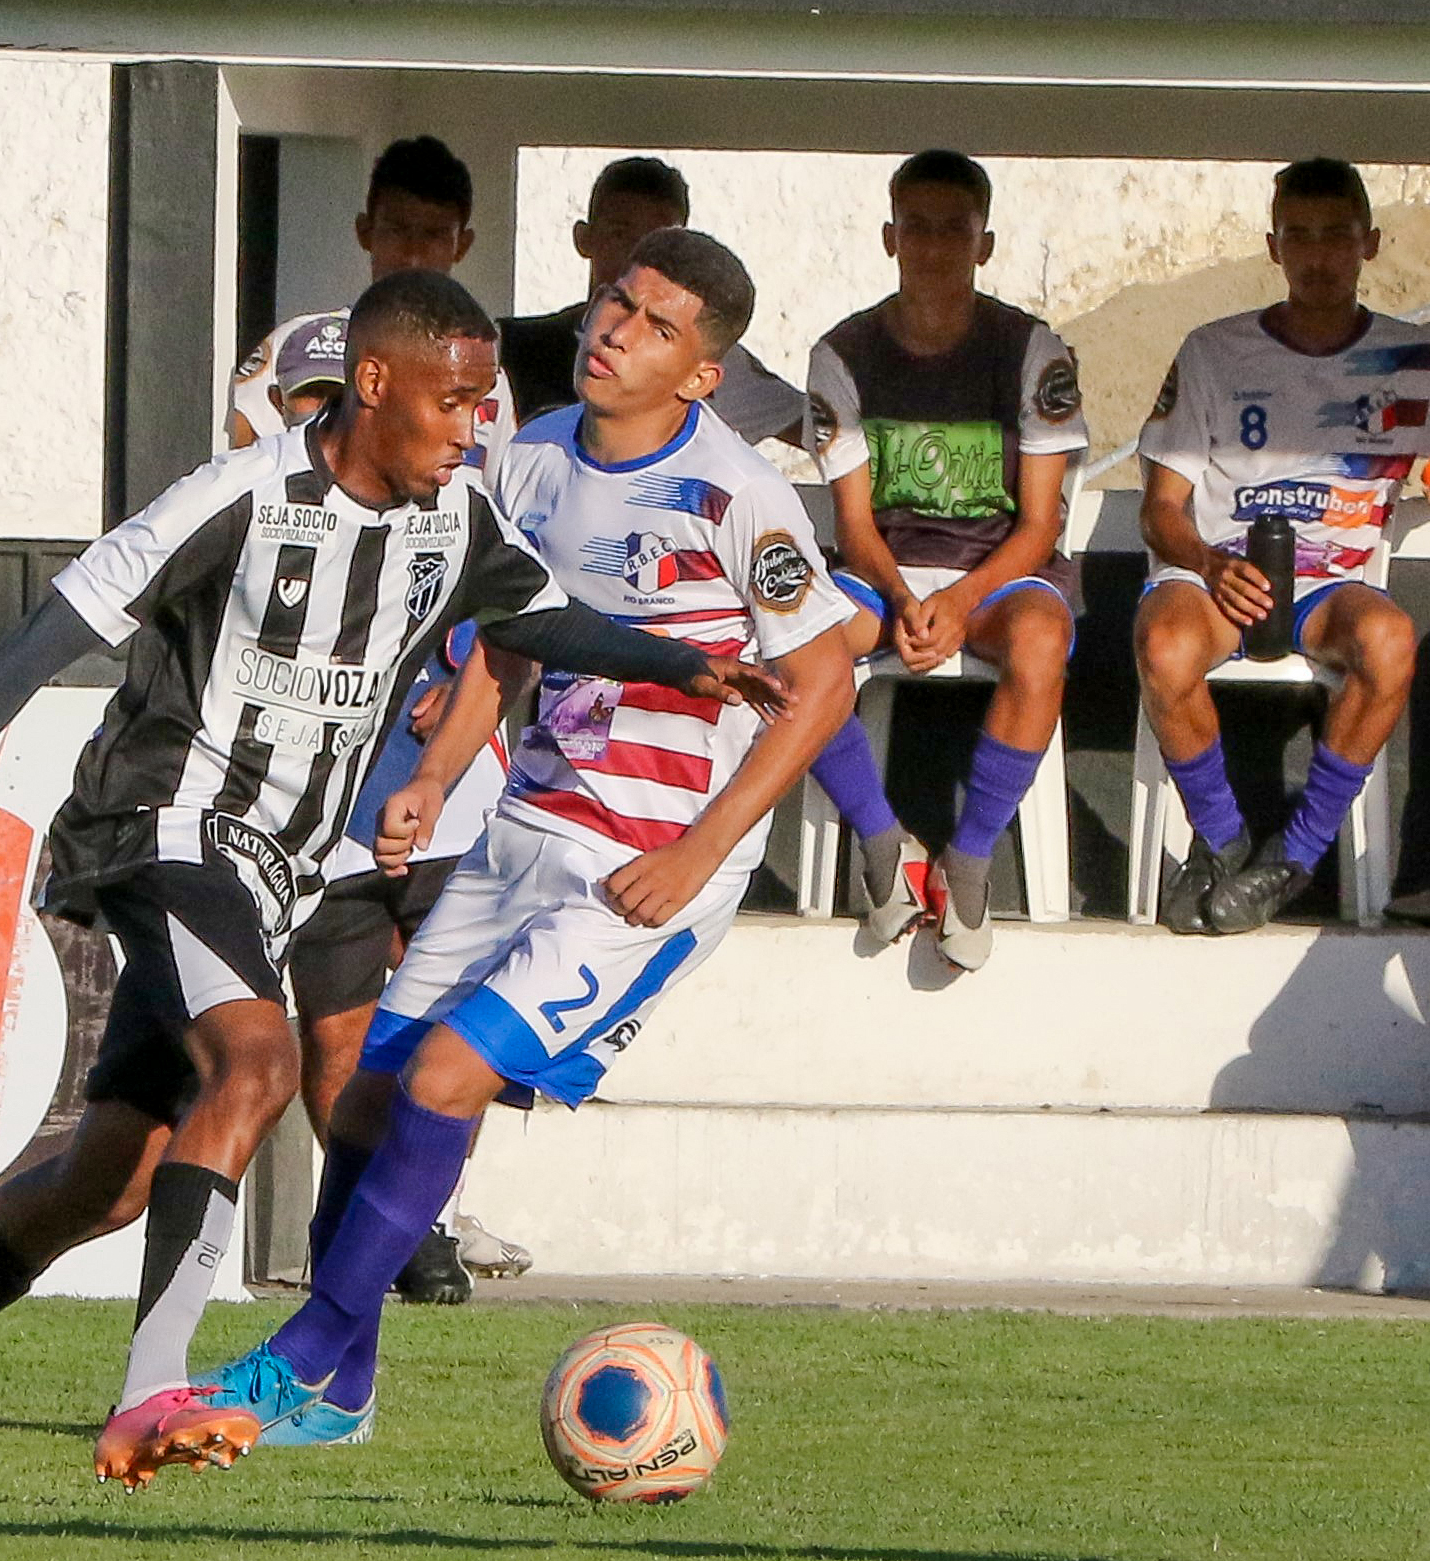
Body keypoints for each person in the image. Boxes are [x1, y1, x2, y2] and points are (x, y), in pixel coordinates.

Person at [0, 270, 785, 1497]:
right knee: (258, 1064)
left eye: (486, 404)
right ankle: (157, 1383)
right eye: (457, 401)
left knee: (116, 1176)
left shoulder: (456, 519)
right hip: (165, 825)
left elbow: (547, 620)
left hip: (279, 872)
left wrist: (685, 663)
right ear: (376, 385)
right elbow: (57, 624)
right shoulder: (239, 497)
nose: (478, 427)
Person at [185, 228, 856, 1461]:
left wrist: (701, 857)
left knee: (448, 1074)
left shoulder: (735, 493)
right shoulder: (530, 456)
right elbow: (511, 630)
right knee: (374, 1095)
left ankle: (297, 1358)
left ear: (701, 373)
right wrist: (435, 779)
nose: (612, 330)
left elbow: (823, 682)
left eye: (655, 324)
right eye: (615, 301)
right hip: (525, 824)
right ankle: (340, 1396)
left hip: (646, 869)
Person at [800, 151, 1088, 970]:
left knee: (1039, 641)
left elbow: (1037, 524)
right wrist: (898, 595)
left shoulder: (1030, 348)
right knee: (796, 638)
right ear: (889, 237)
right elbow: (853, 524)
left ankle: (969, 859)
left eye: (951, 230)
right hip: (883, 569)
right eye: (915, 228)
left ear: (983, 243)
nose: (932, 246)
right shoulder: (841, 352)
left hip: (997, 574)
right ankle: (882, 845)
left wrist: (960, 602)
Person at [1136, 158, 1423, 934]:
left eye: (1336, 235)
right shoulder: (1212, 351)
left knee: (1391, 641)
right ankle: (1223, 839)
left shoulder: (1414, 361)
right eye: (1299, 236)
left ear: (1369, 243)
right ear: (1272, 247)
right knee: (1163, 647)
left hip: (1332, 583)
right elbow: (1160, 508)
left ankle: (1291, 858)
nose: (1318, 254)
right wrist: (1206, 562)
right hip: (1221, 572)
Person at [284, 618, 532, 1310]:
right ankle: (363, 1226)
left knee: (459, 1037)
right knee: (335, 1037)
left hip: (463, 821)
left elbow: (535, 623)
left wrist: (469, 682)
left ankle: (432, 1225)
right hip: (328, 827)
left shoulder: (484, 510)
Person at [226, 136, 517, 470]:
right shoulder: (307, 341)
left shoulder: (487, 375)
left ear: (461, 245)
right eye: (397, 231)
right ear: (365, 231)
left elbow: (500, 492)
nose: (413, 255)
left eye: (434, 236)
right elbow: (235, 446)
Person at [496, 155, 805, 447]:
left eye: (656, 241)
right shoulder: (509, 348)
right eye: (621, 234)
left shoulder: (707, 361)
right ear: (584, 238)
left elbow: (823, 429)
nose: (638, 256)